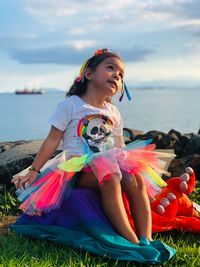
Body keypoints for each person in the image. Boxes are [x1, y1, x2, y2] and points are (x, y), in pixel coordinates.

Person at [11, 48, 176, 264]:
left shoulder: (113, 112)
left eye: (121, 74)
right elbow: (52, 140)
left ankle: (146, 238)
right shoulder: (70, 105)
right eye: (111, 68)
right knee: (111, 175)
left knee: (134, 178)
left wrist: (128, 164)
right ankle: (131, 240)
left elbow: (119, 147)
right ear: (89, 74)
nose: (117, 75)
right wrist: (34, 170)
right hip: (78, 170)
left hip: (110, 164)